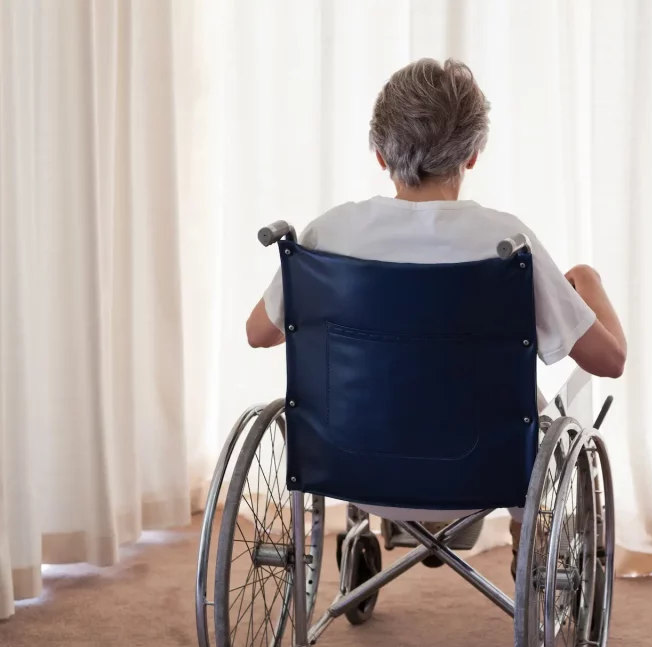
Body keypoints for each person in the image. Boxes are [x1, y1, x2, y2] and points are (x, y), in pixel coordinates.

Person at [245, 58, 626, 577]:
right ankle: (527, 552)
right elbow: (609, 360)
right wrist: (589, 282)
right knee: (543, 417)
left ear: (379, 154)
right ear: (472, 155)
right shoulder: (507, 245)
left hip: (351, 469)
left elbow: (257, 334)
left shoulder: (327, 235)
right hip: (482, 477)